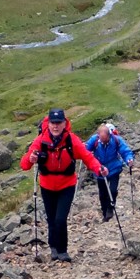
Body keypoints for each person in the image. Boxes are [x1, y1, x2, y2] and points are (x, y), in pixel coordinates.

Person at [21, 108, 106, 262]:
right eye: (53, 123)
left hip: (67, 185)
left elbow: (87, 157)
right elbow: (24, 164)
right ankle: (53, 247)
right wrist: (31, 158)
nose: (55, 126)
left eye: (59, 123)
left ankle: (63, 250)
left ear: (64, 123)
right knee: (52, 218)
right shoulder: (40, 140)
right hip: (47, 185)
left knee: (61, 218)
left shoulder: (71, 140)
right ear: (49, 123)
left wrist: (99, 168)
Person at [84, 122, 134, 222]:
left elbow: (125, 151)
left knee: (113, 190)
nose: (103, 141)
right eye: (101, 139)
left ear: (109, 135)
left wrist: (129, 159)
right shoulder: (95, 140)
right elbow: (85, 150)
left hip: (114, 168)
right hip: (100, 170)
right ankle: (104, 212)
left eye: (105, 139)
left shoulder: (116, 140)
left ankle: (110, 209)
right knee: (102, 194)